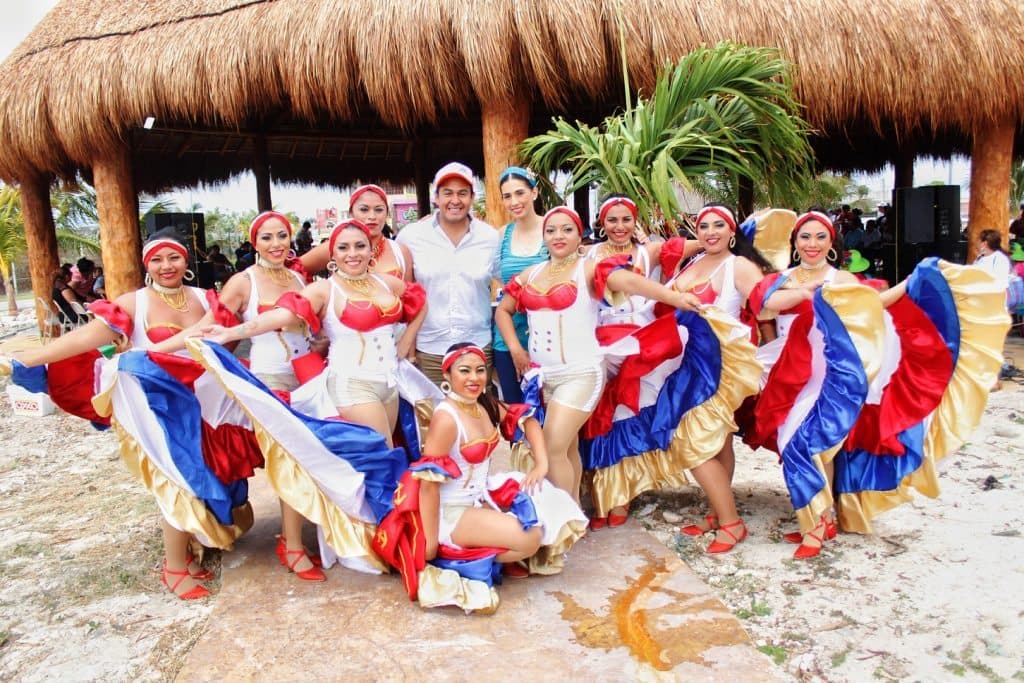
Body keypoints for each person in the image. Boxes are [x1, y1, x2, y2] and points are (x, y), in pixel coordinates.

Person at [3, 233, 258, 599]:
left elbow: (224, 345)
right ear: (145, 263)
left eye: (174, 257)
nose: (166, 266)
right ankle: (173, 568)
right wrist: (26, 361)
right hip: (154, 406)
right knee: (177, 479)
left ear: (186, 262)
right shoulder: (132, 303)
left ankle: (188, 552)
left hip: (204, 403)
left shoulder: (205, 298)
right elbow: (84, 339)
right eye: (157, 259)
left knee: (209, 473)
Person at [495, 206, 698, 503]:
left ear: (580, 236)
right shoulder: (532, 273)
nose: (558, 236)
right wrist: (515, 349)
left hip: (582, 373)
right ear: (544, 238)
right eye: (551, 230)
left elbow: (630, 282)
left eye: (567, 229)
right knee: (568, 447)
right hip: (544, 376)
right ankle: (574, 513)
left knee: (551, 446)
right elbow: (503, 309)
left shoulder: (589, 268)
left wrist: (674, 297)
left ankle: (561, 520)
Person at [372, 343, 587, 613]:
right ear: (448, 376)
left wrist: (542, 465)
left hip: (482, 495)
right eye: (464, 371)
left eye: (480, 370)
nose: (474, 378)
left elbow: (527, 420)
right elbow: (428, 484)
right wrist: (429, 543)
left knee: (548, 502)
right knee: (531, 538)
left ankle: (483, 551)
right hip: (451, 512)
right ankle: (454, 557)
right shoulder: (446, 419)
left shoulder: (483, 404)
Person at [185, 211, 326, 580]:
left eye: (282, 235)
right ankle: (292, 545)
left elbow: (308, 328)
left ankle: (298, 536)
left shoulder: (299, 276)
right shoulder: (242, 281)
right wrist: (171, 355)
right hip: (267, 381)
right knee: (288, 459)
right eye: (267, 237)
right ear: (254, 242)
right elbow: (214, 329)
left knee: (306, 458)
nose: (276, 243)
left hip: (307, 378)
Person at [205, 220, 426, 447]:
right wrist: (230, 333)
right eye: (343, 248)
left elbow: (421, 302)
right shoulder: (323, 290)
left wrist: (406, 341)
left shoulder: (387, 283)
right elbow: (278, 316)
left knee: (379, 462)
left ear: (371, 249)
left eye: (360, 246)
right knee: (383, 458)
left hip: (390, 383)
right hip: (352, 385)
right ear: (332, 254)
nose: (353, 254)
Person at [395, 162, 500, 386]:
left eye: (462, 193)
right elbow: (402, 293)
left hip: (478, 348)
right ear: (436, 197)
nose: (455, 200)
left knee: (478, 417)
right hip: (430, 350)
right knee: (433, 418)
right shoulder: (411, 236)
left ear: (472, 198)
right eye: (448, 193)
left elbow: (510, 282)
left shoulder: (490, 238)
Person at [493, 166, 548, 402]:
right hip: (508, 338)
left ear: (534, 193)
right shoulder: (500, 235)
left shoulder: (554, 228)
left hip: (548, 337)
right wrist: (515, 349)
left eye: (520, 193)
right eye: (507, 196)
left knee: (551, 415)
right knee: (518, 415)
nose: (514, 201)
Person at [301, 185, 414, 283]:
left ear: (387, 213)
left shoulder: (400, 252)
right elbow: (295, 270)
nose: (372, 216)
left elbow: (411, 300)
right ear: (351, 213)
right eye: (364, 210)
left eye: (379, 210)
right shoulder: (335, 247)